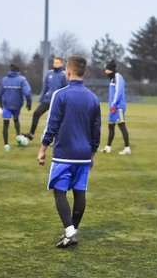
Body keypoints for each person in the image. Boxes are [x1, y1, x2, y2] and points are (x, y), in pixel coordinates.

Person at [37, 55, 101, 248]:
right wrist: (92, 154)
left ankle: (70, 231)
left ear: (69, 71)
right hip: (83, 154)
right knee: (80, 192)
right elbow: (96, 129)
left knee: (60, 192)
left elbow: (52, 124)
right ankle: (73, 231)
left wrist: (43, 148)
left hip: (64, 153)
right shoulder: (93, 97)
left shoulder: (60, 94)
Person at [23, 56, 67, 141]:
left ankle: (57, 139)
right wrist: (40, 100)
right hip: (47, 100)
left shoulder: (64, 75)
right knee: (36, 113)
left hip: (58, 101)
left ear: (61, 64)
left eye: (57, 63)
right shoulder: (49, 73)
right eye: (54, 62)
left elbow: (66, 89)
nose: (55, 64)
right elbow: (44, 88)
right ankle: (31, 134)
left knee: (56, 120)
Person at [0, 64, 32, 151]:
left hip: (6, 105)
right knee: (16, 120)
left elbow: (0, 93)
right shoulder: (22, 79)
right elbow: (27, 92)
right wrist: (29, 102)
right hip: (17, 105)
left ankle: (6, 145)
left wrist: (0, 104)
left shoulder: (4, 79)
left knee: (5, 124)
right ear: (18, 72)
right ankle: (18, 138)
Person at [99, 60, 130, 155]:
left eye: (106, 70)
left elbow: (118, 92)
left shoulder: (118, 77)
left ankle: (127, 148)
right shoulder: (112, 79)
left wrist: (113, 104)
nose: (105, 72)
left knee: (122, 126)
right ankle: (108, 147)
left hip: (118, 107)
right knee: (111, 126)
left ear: (111, 70)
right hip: (112, 108)